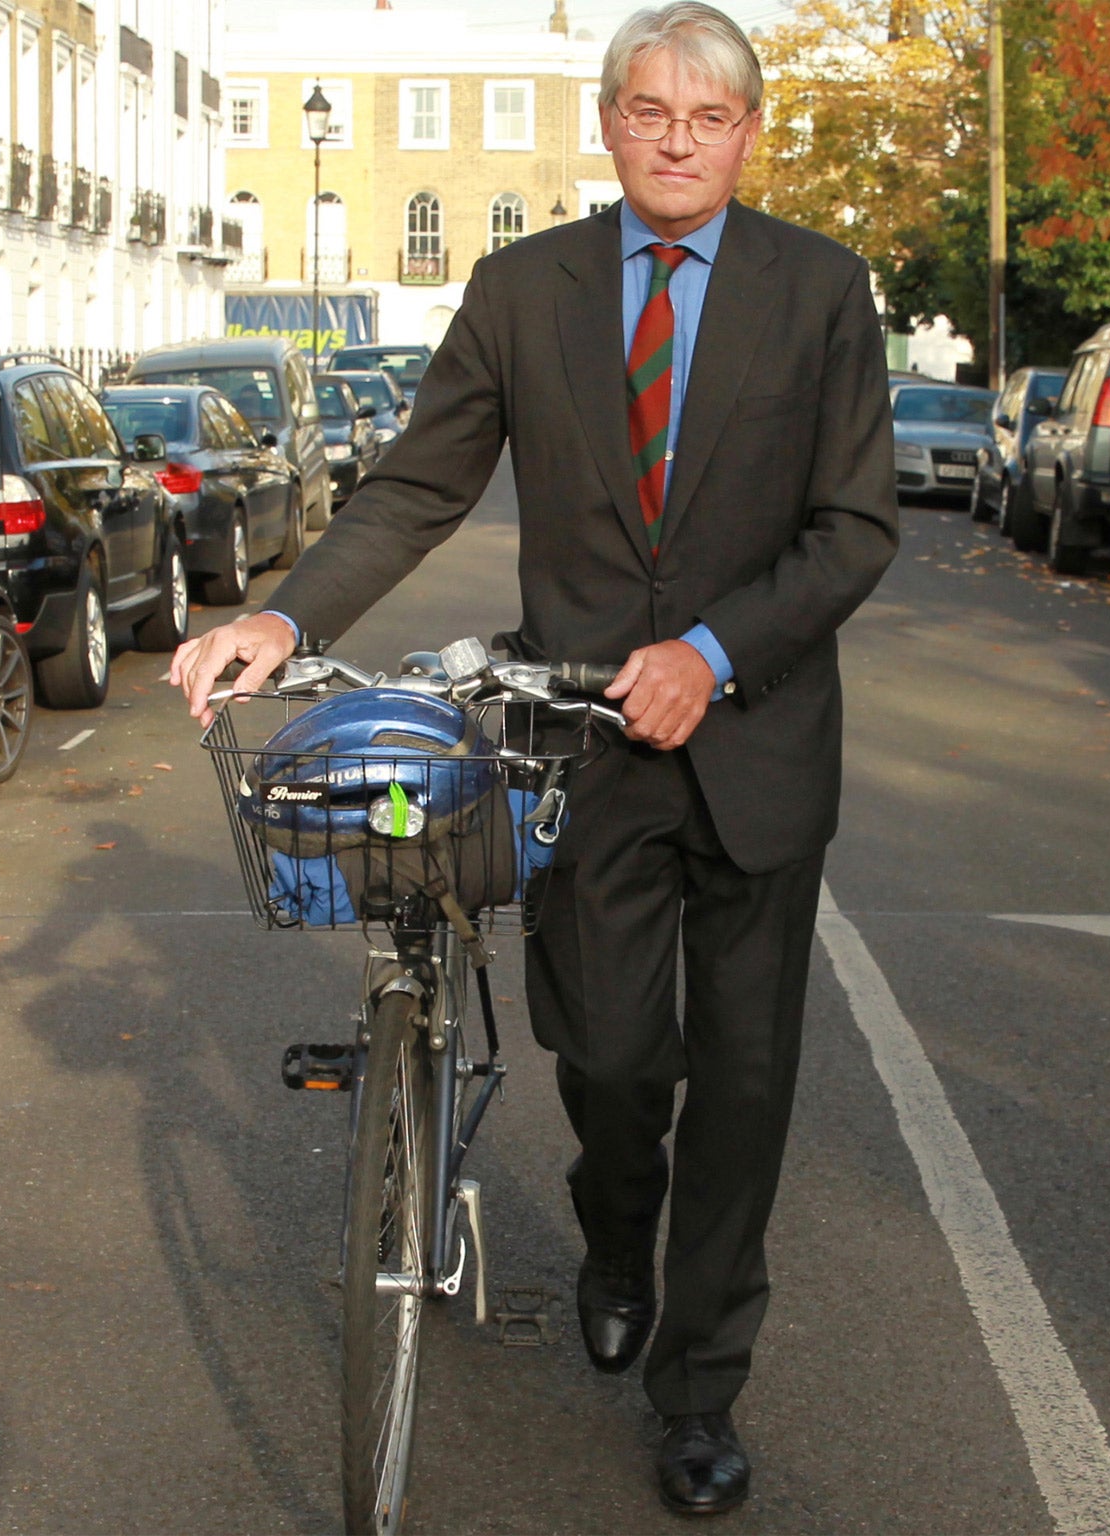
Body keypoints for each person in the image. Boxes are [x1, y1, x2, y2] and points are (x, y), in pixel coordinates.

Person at [171, 1, 897, 1514]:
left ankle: (700, 1391)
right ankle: (616, 1226)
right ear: (610, 123)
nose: (678, 139)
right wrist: (284, 620)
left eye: (708, 118)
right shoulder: (523, 288)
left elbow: (854, 531)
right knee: (618, 1062)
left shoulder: (822, 292)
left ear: (749, 135)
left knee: (748, 1089)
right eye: (649, 111)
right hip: (586, 749)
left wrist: (710, 653)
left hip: (758, 748)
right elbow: (414, 486)